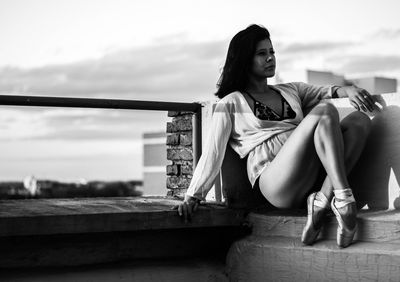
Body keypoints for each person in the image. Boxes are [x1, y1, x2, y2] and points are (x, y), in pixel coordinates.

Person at [175, 24, 375, 248]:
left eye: (272, 52)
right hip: (274, 183)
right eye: (262, 54)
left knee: (360, 120)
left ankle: (322, 200)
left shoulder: (291, 90)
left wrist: (350, 90)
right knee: (325, 112)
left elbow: (326, 91)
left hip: (310, 177)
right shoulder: (229, 103)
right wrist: (193, 195)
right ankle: (344, 200)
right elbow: (213, 152)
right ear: (244, 60)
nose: (270, 58)